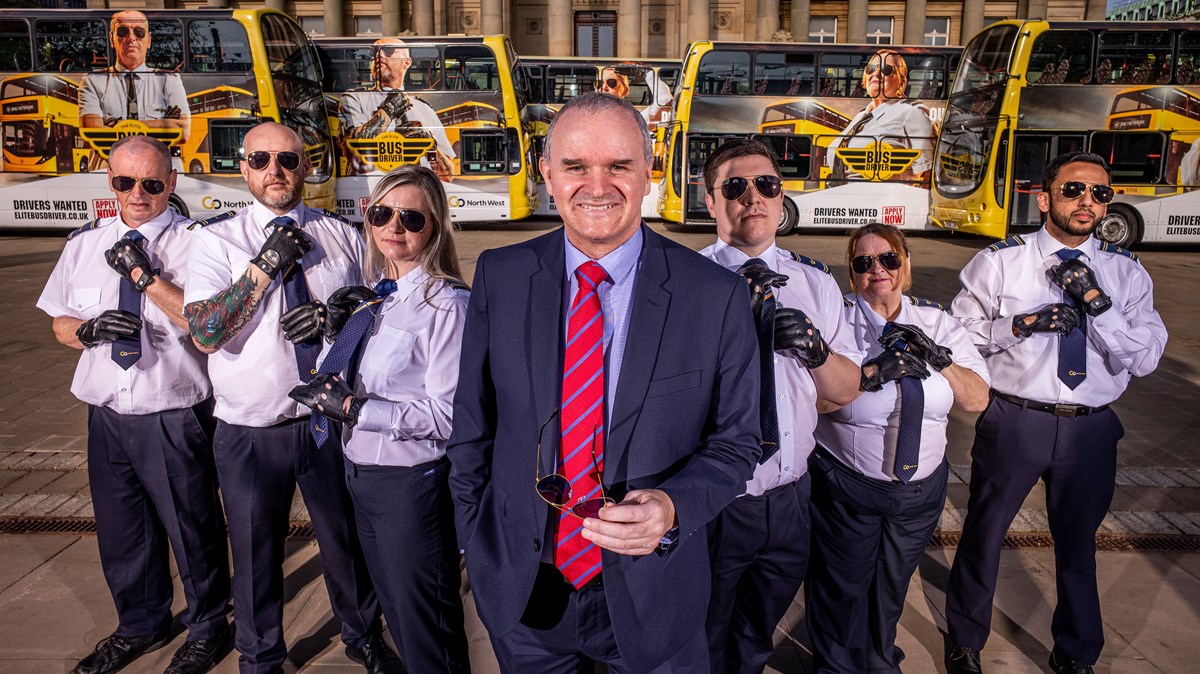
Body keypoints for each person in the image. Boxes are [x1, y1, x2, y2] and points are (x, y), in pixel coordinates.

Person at [447, 92, 762, 672]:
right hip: (525, 592)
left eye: (618, 165)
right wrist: (478, 542)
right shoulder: (501, 275)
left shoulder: (714, 294)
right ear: (547, 174)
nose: (597, 185)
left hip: (654, 594)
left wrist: (671, 507)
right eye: (575, 166)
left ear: (650, 173)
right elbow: (473, 426)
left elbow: (739, 442)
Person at [183, 122, 399, 674]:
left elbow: (377, 316)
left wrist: (337, 317)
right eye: (260, 159)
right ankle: (260, 657)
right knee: (256, 555)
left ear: (306, 165)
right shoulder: (215, 239)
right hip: (251, 428)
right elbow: (206, 332)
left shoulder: (341, 235)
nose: (274, 170)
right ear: (243, 168)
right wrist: (263, 267)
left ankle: (362, 634)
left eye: (287, 159)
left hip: (327, 421)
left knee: (345, 542)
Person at [944, 151, 1167, 674]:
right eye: (1074, 191)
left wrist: (1096, 304)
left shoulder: (1125, 273)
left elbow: (1147, 357)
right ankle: (965, 640)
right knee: (984, 532)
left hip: (1090, 428)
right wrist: (1019, 325)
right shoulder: (1000, 262)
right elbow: (959, 340)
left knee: (1078, 545)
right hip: (1016, 419)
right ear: (1044, 199)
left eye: (1100, 193)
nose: (1088, 202)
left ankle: (1076, 653)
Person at [37, 135, 231, 674]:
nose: (138, 193)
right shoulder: (84, 243)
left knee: (192, 528)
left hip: (172, 410)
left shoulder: (201, 244)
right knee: (123, 531)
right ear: (111, 183)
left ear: (171, 182)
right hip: (107, 411)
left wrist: (149, 283)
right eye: (126, 182)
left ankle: (208, 626)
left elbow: (207, 322)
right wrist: (90, 329)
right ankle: (140, 625)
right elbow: (59, 323)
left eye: (151, 182)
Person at [288, 166, 472, 673]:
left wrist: (356, 411)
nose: (395, 226)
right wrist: (331, 330)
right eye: (382, 213)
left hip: (410, 486)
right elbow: (345, 372)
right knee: (395, 611)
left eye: (412, 217)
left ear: (435, 227)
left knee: (426, 626)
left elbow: (449, 415)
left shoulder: (447, 307)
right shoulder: (371, 296)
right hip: (359, 477)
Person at [696, 138, 862, 674]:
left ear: (781, 195)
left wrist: (815, 351)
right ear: (710, 199)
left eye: (766, 184)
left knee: (755, 635)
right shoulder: (683, 283)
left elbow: (846, 390)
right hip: (715, 498)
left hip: (791, 497)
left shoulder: (814, 282)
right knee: (701, 632)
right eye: (736, 187)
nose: (753, 198)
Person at [806, 223, 990, 673]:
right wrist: (870, 374)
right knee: (841, 586)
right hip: (850, 485)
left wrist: (940, 360)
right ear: (852, 276)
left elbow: (977, 398)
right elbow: (815, 402)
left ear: (906, 266)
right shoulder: (835, 323)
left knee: (891, 585)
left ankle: (879, 658)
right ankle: (836, 665)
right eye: (863, 263)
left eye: (888, 259)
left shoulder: (938, 323)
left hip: (918, 491)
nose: (878, 271)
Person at [339, 37, 455, 179]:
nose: (378, 55)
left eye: (388, 50)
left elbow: (447, 176)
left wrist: (429, 145)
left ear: (406, 62)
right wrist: (389, 110)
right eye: (374, 52)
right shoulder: (354, 99)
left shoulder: (425, 110)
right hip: (371, 192)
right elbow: (353, 148)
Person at [826, 49, 937, 184]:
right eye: (871, 69)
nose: (876, 73)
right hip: (845, 198)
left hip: (883, 200)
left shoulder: (912, 113)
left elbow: (928, 175)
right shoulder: (861, 116)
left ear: (902, 83)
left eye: (886, 69)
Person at [80, 10, 190, 139]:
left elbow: (183, 131)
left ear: (148, 40)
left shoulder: (169, 80)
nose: (131, 38)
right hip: (109, 159)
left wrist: (119, 125)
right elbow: (91, 133)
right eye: (122, 32)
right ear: (111, 39)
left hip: (157, 159)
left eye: (139, 32)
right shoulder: (92, 81)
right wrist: (162, 123)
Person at [597, 63, 674, 126]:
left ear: (625, 90)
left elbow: (665, 99)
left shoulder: (634, 119)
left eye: (611, 83)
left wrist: (647, 74)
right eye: (599, 83)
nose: (604, 88)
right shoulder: (587, 116)